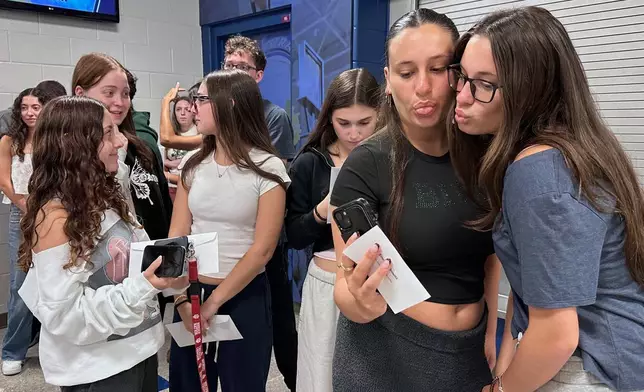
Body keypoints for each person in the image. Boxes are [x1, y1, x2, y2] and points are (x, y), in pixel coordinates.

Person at [447, 7, 644, 392]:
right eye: (462, 76)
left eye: (483, 85)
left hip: (591, 369)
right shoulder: (574, 149)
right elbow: (531, 302)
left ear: (529, 92)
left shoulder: (540, 172)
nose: (462, 95)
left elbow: (556, 334)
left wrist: (501, 389)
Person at [329, 9, 501, 391]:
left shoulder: (487, 156)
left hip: (468, 354)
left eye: (438, 69)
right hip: (386, 357)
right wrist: (360, 301)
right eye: (407, 74)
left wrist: (490, 334)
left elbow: (491, 258)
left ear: (459, 73)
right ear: (389, 80)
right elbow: (346, 284)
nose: (423, 87)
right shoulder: (367, 164)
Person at [15, 96, 187, 390]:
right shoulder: (56, 217)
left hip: (138, 352)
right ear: (78, 146)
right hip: (99, 370)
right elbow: (67, 316)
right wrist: (143, 287)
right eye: (109, 133)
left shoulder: (102, 192)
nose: (120, 142)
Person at [168, 69, 290, 391]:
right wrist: (182, 299)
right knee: (187, 385)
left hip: (243, 296)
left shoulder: (268, 167)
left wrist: (214, 302)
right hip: (191, 292)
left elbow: (263, 250)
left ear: (230, 104)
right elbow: (178, 236)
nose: (193, 106)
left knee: (243, 384)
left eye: (202, 99)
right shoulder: (193, 163)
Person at [285, 68, 379, 392]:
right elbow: (293, 236)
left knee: (372, 374)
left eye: (364, 123)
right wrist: (323, 210)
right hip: (326, 281)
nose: (354, 133)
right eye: (344, 123)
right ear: (329, 119)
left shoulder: (389, 158)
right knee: (320, 372)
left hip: (379, 282)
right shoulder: (311, 163)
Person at [72, 53, 173, 242]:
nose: (120, 102)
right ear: (80, 93)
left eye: (125, 94)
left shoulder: (143, 147)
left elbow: (164, 208)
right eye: (109, 93)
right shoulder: (69, 156)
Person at [0, 87, 50, 376]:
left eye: (36, 107)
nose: (30, 113)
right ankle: (12, 351)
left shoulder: (53, 141)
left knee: (54, 281)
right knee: (19, 285)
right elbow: (4, 180)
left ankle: (50, 347)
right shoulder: (9, 141)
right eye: (25, 107)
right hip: (21, 214)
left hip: (52, 215)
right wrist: (23, 203)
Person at [164, 95, 198, 201]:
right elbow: (164, 161)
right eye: (178, 109)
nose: (182, 113)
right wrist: (168, 163)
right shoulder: (171, 134)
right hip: (171, 186)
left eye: (187, 110)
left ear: (193, 111)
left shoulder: (199, 132)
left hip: (191, 186)